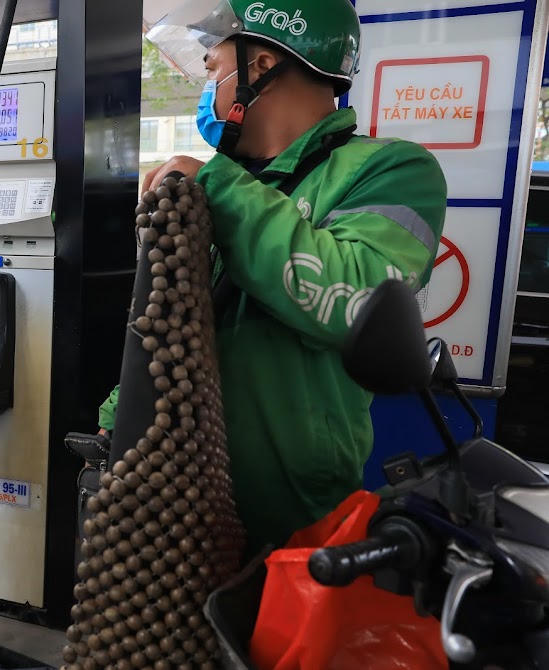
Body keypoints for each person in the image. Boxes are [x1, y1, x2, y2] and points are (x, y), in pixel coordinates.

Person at [101, 0, 448, 553]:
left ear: (259, 66)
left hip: (290, 517)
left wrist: (220, 187)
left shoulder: (392, 170)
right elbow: (175, 319)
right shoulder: (225, 184)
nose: (207, 90)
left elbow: (354, 297)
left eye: (213, 69)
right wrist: (119, 417)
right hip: (171, 499)